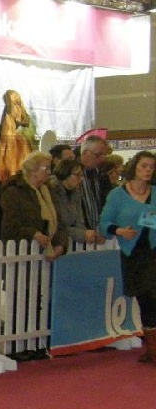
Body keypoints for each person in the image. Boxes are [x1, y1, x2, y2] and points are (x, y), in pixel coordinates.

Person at [99, 150, 156, 364]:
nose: (148, 170)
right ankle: (152, 347)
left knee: (153, 296)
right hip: (134, 254)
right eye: (144, 166)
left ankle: (153, 348)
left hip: (154, 250)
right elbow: (104, 223)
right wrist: (120, 231)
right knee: (146, 299)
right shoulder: (117, 195)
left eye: (151, 166)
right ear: (134, 167)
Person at [0, 151, 68, 261]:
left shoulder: (49, 193)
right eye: (46, 168)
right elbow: (9, 227)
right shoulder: (14, 192)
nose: (49, 172)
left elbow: (60, 222)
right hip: (19, 254)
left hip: (46, 254)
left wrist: (61, 245)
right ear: (33, 169)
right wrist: (33, 234)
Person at [50, 158, 101, 245]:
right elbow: (57, 226)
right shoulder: (52, 192)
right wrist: (82, 234)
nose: (81, 179)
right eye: (77, 175)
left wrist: (88, 234)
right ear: (65, 173)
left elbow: (79, 221)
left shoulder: (76, 193)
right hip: (54, 243)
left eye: (82, 175)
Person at [77, 135, 108, 238]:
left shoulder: (102, 175)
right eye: (98, 155)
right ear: (85, 152)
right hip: (79, 234)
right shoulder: (70, 175)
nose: (101, 159)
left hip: (99, 233)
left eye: (104, 155)